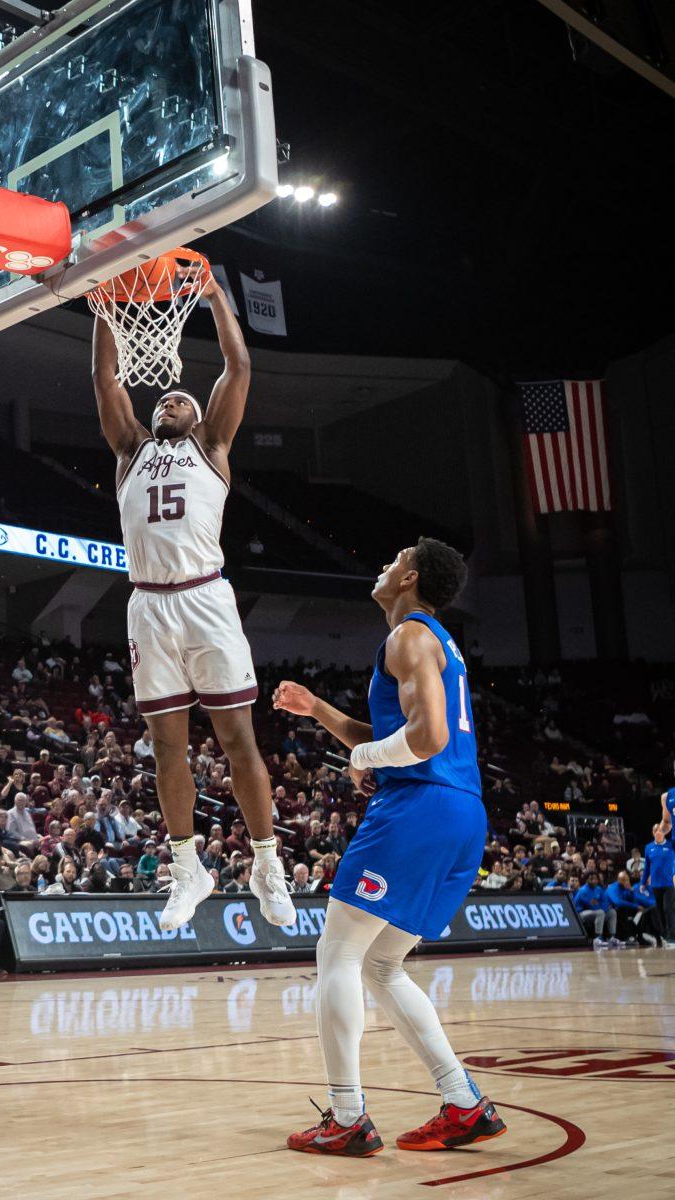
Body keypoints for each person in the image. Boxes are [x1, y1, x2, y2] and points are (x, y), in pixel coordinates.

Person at [274, 539, 506, 1155]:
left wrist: (364, 757)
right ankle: (464, 1104)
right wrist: (318, 709)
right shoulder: (432, 642)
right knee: (380, 964)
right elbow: (391, 732)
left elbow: (422, 739)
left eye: (389, 560)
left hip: (419, 805)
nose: (379, 567)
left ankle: (348, 1117)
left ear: (408, 576)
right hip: (462, 812)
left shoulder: (408, 636)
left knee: (338, 954)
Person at [92, 270, 295, 933]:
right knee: (165, 747)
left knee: (238, 739)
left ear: (203, 416)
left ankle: (267, 862)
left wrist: (214, 297)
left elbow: (238, 363)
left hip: (207, 598)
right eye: (167, 399)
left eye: (183, 398)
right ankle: (188, 869)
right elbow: (108, 381)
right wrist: (104, 302)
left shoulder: (212, 446)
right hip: (148, 605)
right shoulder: (130, 450)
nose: (172, 401)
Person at [606, 869, 661, 947]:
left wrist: (631, 892)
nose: (626, 881)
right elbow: (617, 902)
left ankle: (654, 936)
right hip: (610, 911)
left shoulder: (627, 889)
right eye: (623, 879)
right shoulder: (612, 887)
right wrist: (637, 906)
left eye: (627, 879)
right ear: (618, 879)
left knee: (647, 912)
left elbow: (635, 901)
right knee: (623, 910)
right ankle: (633, 936)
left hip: (622, 912)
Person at [643, 824, 675, 945]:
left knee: (668, 908)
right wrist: (642, 882)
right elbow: (647, 867)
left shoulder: (671, 845)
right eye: (655, 830)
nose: (657, 832)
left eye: (660, 830)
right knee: (660, 910)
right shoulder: (648, 847)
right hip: (655, 884)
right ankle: (665, 935)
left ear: (664, 832)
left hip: (669, 883)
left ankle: (672, 936)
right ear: (652, 832)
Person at [573, 871, 618, 948]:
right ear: (587, 880)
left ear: (598, 880)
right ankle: (598, 938)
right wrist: (601, 905)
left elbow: (606, 903)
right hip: (581, 914)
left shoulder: (599, 889)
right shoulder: (583, 891)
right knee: (600, 912)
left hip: (594, 912)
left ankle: (612, 937)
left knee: (612, 912)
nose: (593, 881)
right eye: (591, 879)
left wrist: (601, 905)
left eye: (595, 879)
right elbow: (592, 906)